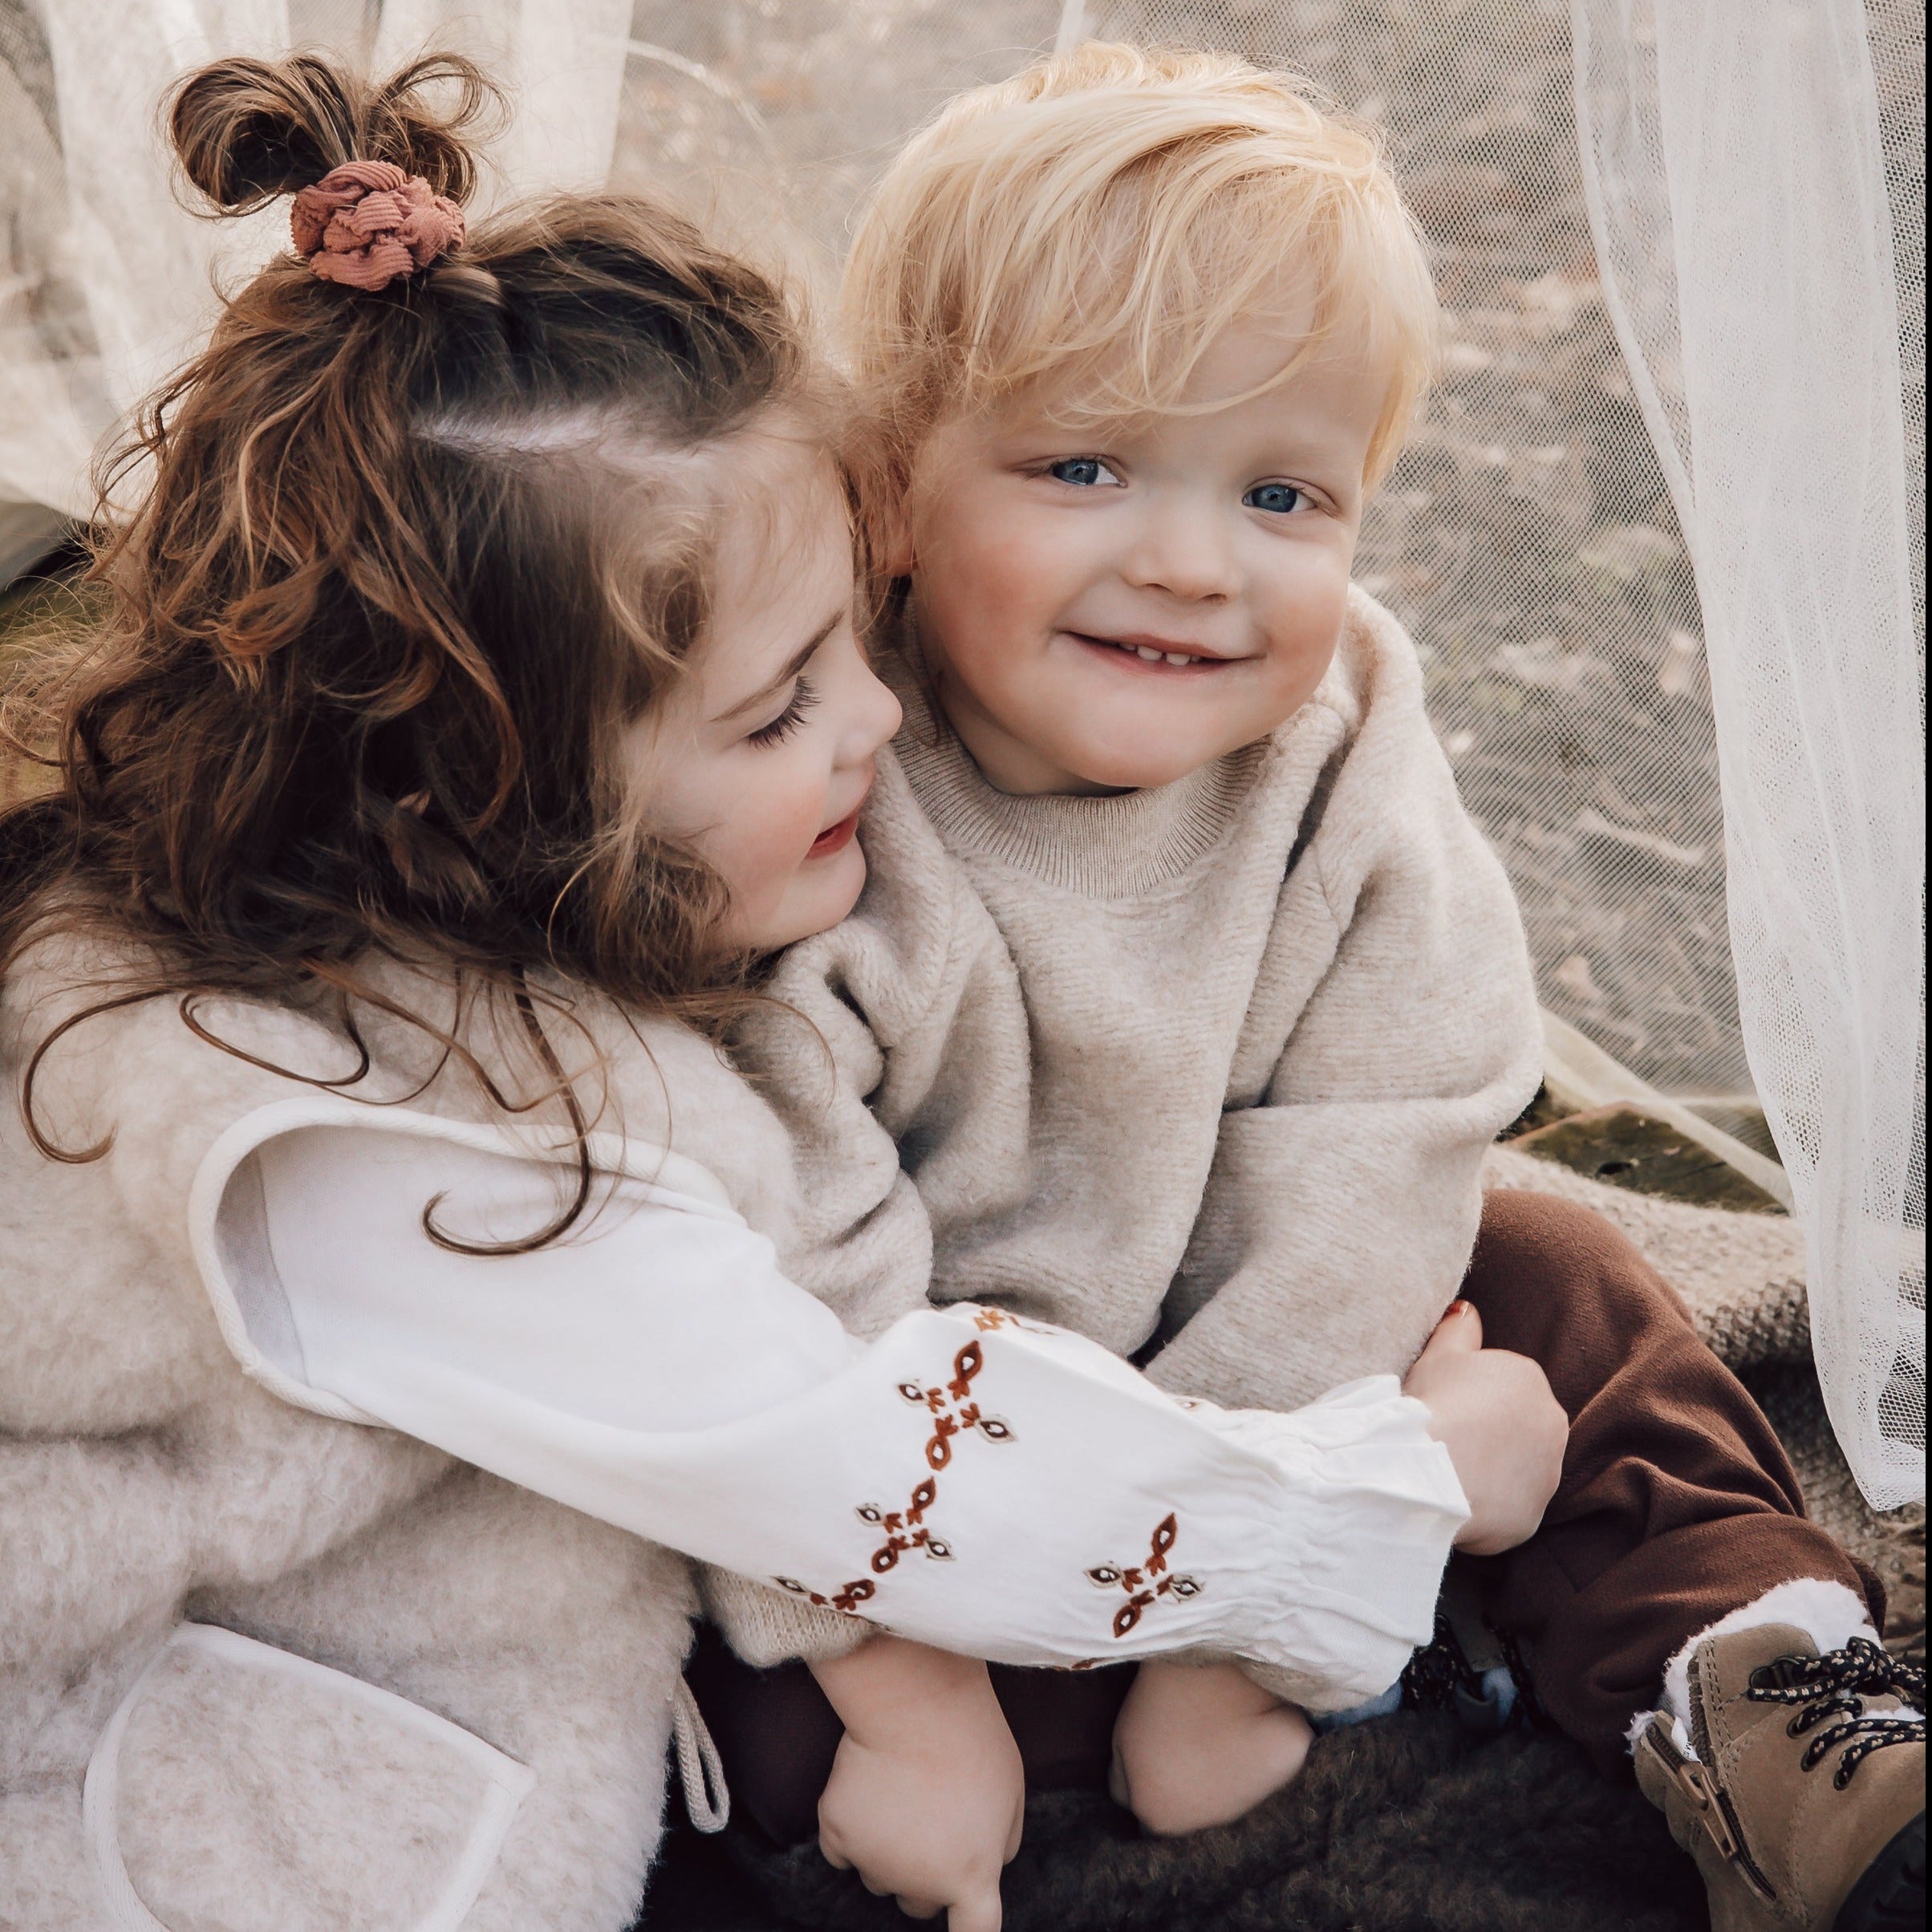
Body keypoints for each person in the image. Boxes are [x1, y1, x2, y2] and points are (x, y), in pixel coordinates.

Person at [0, 49, 1559, 1932]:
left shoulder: (434, 905)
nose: (879, 720)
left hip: (498, 1620)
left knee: (1564, 1269)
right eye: (780, 704)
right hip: (198, 1814)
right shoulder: (389, 1151)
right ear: (486, 783)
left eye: (850, 643)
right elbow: (875, 1467)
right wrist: (1408, 1481)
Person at [699, 42, 1924, 1932]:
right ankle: (1259, 1674)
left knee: (1554, 1268)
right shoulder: (823, 777)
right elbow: (771, 1291)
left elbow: (1388, 1136)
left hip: (1293, 1370)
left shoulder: (1338, 726)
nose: (1195, 564)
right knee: (746, 1699)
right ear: (890, 486)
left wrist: (1259, 1606)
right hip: (950, 1484)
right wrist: (905, 1689)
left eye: (1282, 492)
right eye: (1083, 465)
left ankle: (1764, 1700)